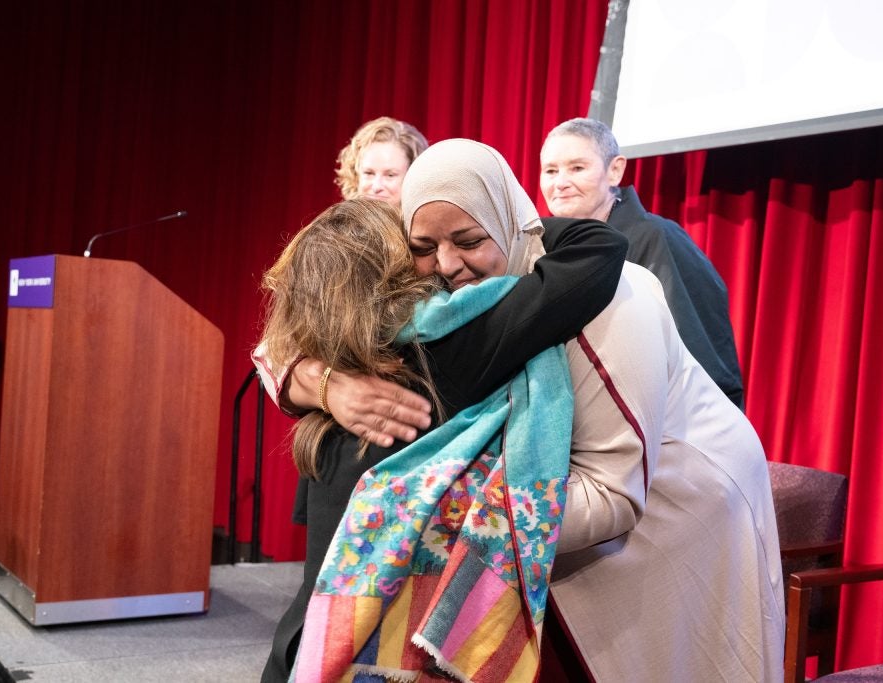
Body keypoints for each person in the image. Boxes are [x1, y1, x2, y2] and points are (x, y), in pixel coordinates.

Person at [285, 138, 784, 681]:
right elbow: (285, 340)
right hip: (557, 511)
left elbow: (613, 493)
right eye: (423, 246)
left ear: (507, 220)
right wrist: (317, 380)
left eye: (471, 240)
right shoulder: (446, 307)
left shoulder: (612, 300)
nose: (448, 265)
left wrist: (447, 517)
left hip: (674, 509)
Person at [254, 200, 628, 681]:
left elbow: (272, 347)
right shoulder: (448, 352)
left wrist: (315, 380)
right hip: (386, 654)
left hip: (306, 642)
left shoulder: (323, 391)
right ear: (395, 270)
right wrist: (503, 219)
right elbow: (598, 247)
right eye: (420, 247)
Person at [539, 117, 746, 409]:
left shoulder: (658, 239)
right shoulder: (548, 252)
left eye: (577, 168)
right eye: (550, 170)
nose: (560, 183)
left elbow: (701, 357)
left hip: (669, 430)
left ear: (615, 170)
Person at [334, 116, 428, 207]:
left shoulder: (429, 223)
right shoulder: (337, 222)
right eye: (369, 173)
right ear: (355, 175)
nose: (376, 187)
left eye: (390, 175)